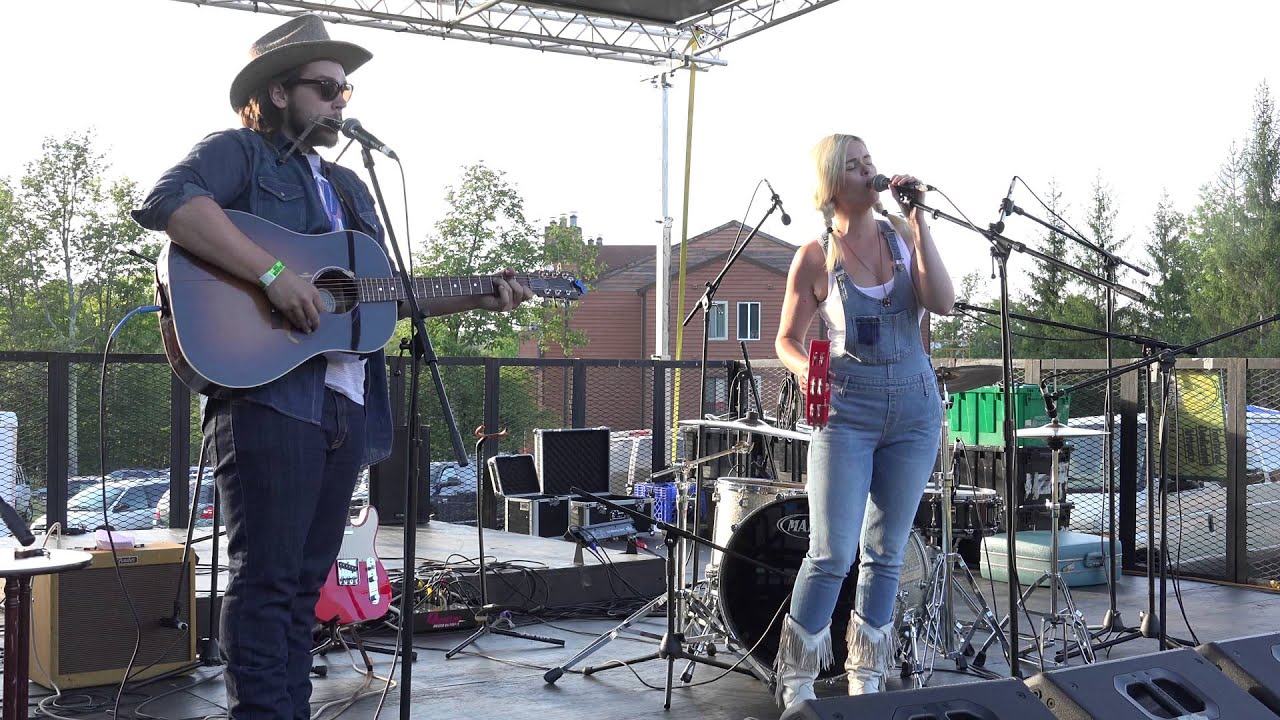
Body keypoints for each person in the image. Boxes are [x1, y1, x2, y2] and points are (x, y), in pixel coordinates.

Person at [132, 14, 533, 720]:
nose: (340, 101)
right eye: (325, 88)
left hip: (347, 403)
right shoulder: (240, 153)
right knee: (267, 581)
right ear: (277, 92)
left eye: (346, 90)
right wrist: (274, 274)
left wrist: (479, 294)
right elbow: (170, 203)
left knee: (304, 588)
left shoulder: (350, 185)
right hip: (270, 398)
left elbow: (378, 294)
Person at [772, 134, 955, 709]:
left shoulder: (903, 236)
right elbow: (785, 339)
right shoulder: (815, 257)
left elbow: (943, 302)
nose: (869, 171)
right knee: (832, 553)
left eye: (870, 161)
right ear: (832, 183)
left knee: (887, 552)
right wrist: (809, 368)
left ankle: (867, 676)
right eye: (854, 165)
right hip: (846, 411)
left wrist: (920, 221)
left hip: (915, 410)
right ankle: (797, 679)